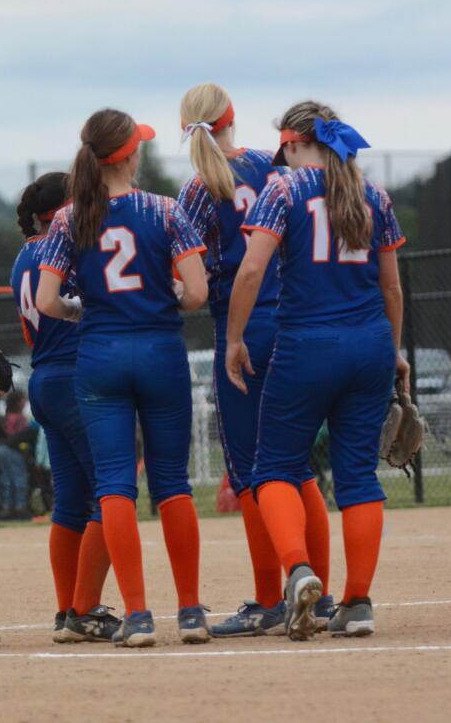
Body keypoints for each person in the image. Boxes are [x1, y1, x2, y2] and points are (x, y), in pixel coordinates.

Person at [227, 100, 406, 640]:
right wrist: (394, 351)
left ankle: (300, 570)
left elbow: (253, 266)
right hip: (370, 342)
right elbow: (391, 285)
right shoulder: (374, 195)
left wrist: (234, 337)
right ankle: (357, 603)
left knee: (274, 468)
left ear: (297, 143)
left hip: (308, 343)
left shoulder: (282, 189)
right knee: (357, 476)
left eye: (285, 148)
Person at [35, 108, 210, 648]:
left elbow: (45, 301)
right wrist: (167, 301)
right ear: (131, 154)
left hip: (100, 355)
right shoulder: (164, 210)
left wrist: (80, 311)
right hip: (159, 350)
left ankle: (136, 615)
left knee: (114, 484)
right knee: (172, 484)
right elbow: (198, 292)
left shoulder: (69, 218)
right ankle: (190, 612)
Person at [175, 84, 334, 637]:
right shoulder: (274, 166)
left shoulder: (196, 189)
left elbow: (186, 273)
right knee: (295, 466)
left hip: (239, 325)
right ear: (232, 119)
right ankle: (326, 594)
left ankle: (271, 597)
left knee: (250, 472)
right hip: (291, 317)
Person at [11, 171, 117, 642]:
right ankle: (84, 608)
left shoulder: (22, 258)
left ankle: (66, 609)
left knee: (71, 503)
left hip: (44, 379)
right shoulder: (66, 247)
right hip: (78, 375)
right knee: (113, 491)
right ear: (62, 210)